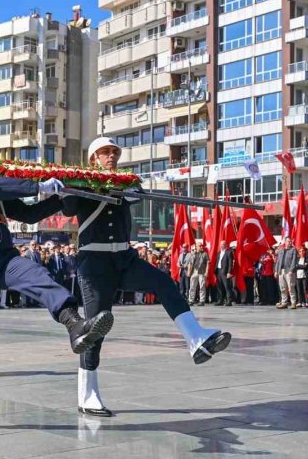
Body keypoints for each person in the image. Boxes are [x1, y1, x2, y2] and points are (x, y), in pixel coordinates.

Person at [0, 125, 113, 433]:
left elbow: (27, 215)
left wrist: (62, 194)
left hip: (1, 248)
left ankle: (74, 323)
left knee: (37, 275)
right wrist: (37, 185)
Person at [61, 137, 230, 417]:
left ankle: (196, 339)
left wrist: (123, 189)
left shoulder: (127, 181)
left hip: (124, 258)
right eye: (105, 152)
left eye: (115, 152)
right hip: (94, 262)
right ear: (93, 159)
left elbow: (136, 193)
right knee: (95, 331)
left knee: (163, 283)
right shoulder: (81, 182)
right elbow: (67, 207)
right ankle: (87, 395)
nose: (112, 156)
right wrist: (72, 186)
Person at [275, 238, 299, 309]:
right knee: (282, 287)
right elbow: (278, 261)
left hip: (289, 271)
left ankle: (293, 302)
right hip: (281, 271)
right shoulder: (281, 250)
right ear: (285, 242)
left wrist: (291, 270)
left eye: (291, 241)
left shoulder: (293, 250)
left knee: (291, 287)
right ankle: (284, 302)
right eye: (288, 241)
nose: (290, 242)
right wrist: (276, 271)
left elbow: (294, 261)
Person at [187, 240, 208, 305]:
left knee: (202, 286)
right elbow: (190, 263)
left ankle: (202, 300)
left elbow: (208, 263)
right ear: (196, 247)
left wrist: (207, 271)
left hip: (202, 271)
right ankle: (191, 300)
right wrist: (189, 272)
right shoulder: (193, 254)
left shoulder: (205, 254)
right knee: (192, 286)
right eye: (200, 246)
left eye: (202, 246)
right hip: (194, 271)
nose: (201, 247)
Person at [215, 240, 234, 306]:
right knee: (219, 287)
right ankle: (220, 300)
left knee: (227, 287)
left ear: (226, 245)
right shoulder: (219, 253)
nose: (221, 246)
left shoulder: (229, 252)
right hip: (219, 271)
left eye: (223, 244)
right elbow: (217, 261)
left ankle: (229, 301)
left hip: (225, 272)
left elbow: (230, 263)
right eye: (221, 244)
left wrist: (229, 272)